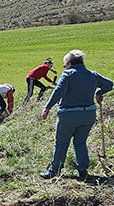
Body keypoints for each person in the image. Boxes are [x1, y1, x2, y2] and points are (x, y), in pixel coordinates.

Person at [40, 50, 113, 179]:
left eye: (65, 65)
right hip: (89, 114)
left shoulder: (68, 74)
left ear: (69, 63)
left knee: (61, 143)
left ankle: (54, 171)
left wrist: (47, 107)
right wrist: (99, 92)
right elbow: (109, 84)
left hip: (69, 115)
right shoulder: (92, 75)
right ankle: (83, 170)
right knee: (80, 142)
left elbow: (59, 91)